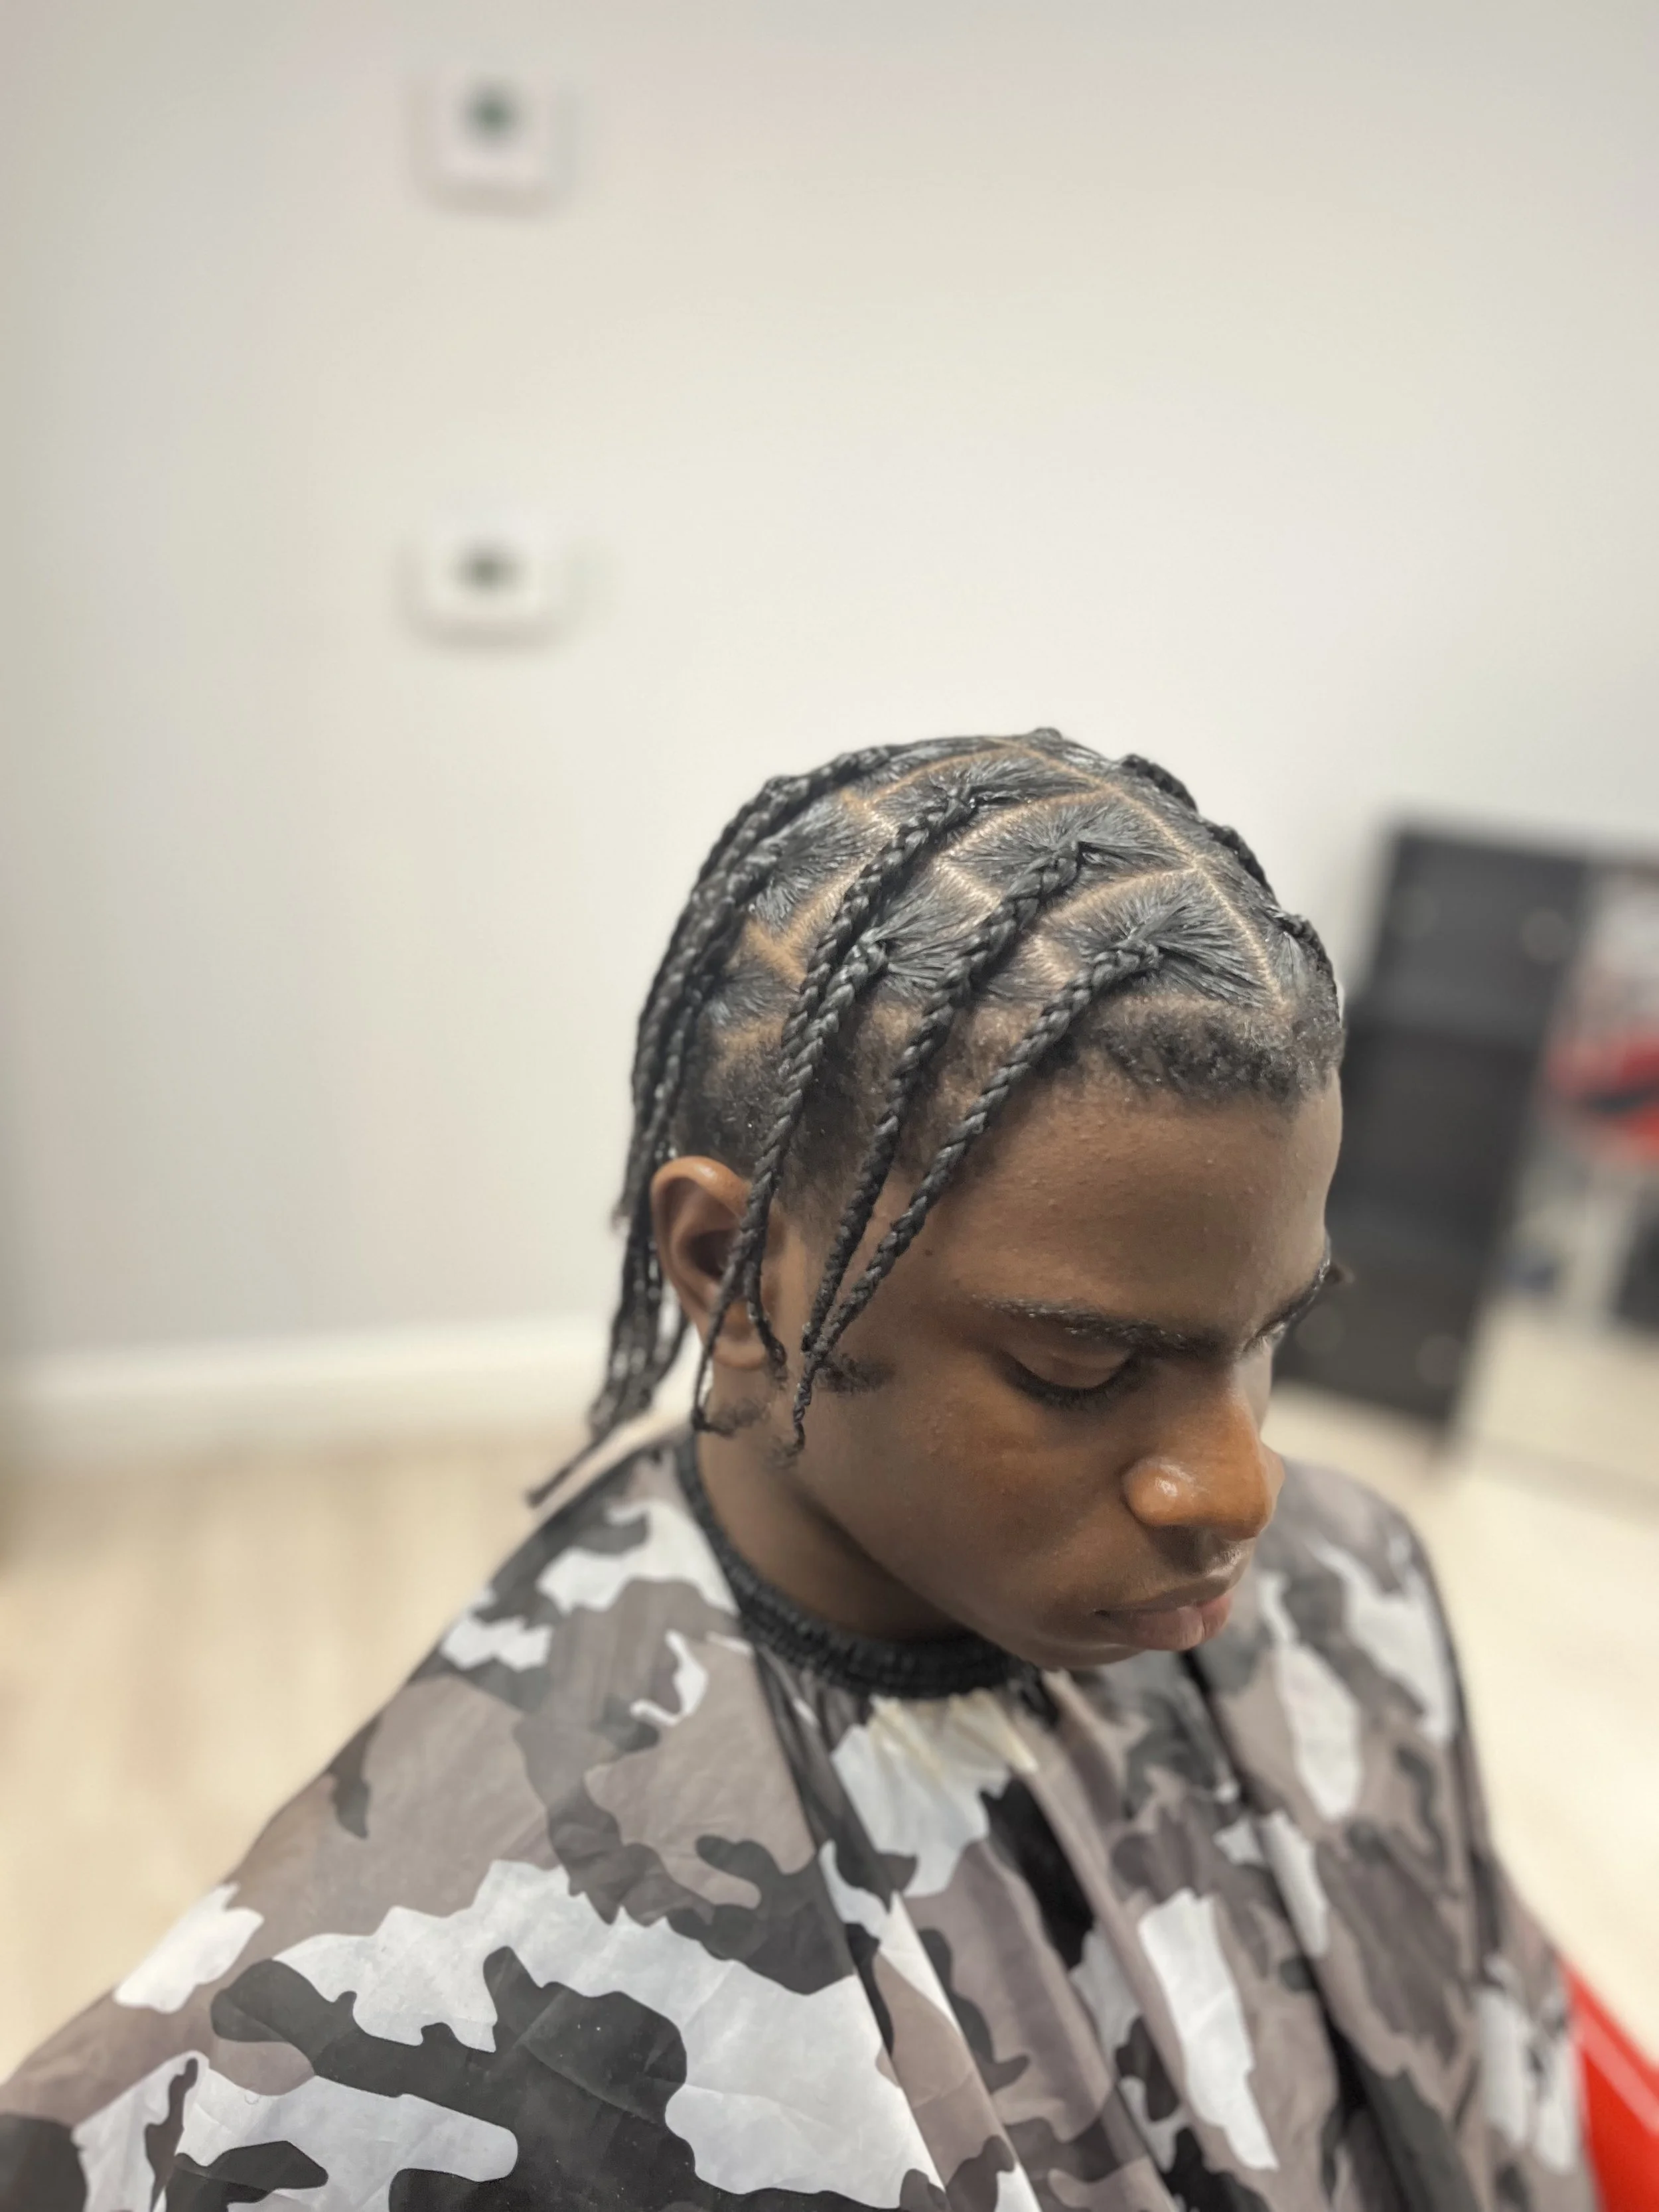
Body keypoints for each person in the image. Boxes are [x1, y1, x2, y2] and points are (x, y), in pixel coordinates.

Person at [0, 732, 1589, 2211]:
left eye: (1262, 1338)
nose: (1236, 1489)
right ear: (728, 1269)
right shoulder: (398, 1964)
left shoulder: (1351, 1576)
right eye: (1077, 1369)